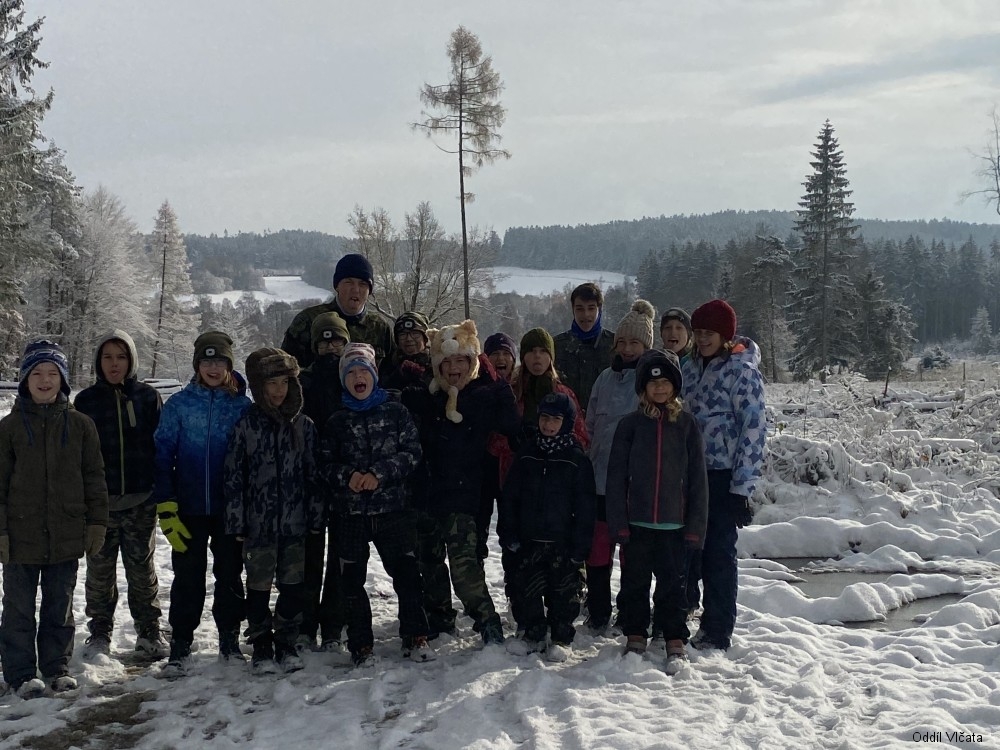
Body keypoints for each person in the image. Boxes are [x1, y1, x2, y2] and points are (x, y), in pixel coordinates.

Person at [0, 340, 108, 698]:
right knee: (17, 609)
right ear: (25, 380)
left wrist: (97, 523)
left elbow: (94, 477)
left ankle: (56, 667)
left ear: (62, 379)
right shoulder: (8, 428)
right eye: (37, 373)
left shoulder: (81, 426)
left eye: (52, 373)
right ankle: (20, 674)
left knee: (59, 606)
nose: (44, 380)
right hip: (20, 537)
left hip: (66, 533)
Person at [321, 343, 433, 666]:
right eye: (351, 373)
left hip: (392, 510)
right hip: (350, 514)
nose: (358, 377)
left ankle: (415, 635)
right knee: (351, 583)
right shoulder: (336, 421)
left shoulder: (396, 412)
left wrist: (379, 475)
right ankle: (361, 645)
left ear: (373, 374)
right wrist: (348, 476)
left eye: (363, 371)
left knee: (408, 576)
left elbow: (412, 453)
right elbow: (323, 463)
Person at [409, 320, 519, 645]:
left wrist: (500, 388)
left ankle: (487, 620)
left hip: (464, 497)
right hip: (428, 495)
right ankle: (440, 618)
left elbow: (510, 425)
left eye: (461, 360)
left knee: (464, 567)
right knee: (430, 563)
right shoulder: (427, 396)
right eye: (447, 362)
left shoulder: (483, 396)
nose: (454, 367)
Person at [152, 331, 251, 671]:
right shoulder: (179, 405)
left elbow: (252, 460)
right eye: (207, 362)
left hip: (229, 510)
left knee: (230, 574)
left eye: (220, 361)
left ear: (229, 366)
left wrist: (247, 506)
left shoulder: (242, 407)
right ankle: (181, 642)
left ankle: (229, 638)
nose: (213, 368)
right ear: (197, 365)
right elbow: (162, 454)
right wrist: (166, 505)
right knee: (187, 577)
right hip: (188, 509)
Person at [606, 349, 708, 672]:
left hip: (674, 526)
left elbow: (698, 481)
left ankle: (674, 637)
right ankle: (636, 633)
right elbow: (615, 477)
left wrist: (695, 527)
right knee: (634, 583)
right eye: (653, 383)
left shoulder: (687, 425)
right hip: (636, 524)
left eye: (665, 382)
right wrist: (618, 523)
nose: (659, 388)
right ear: (643, 389)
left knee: (673, 586)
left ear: (675, 386)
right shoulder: (630, 425)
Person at [224, 348, 323, 675]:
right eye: (272, 383)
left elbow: (314, 475)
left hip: (295, 524)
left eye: (284, 382)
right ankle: (262, 643)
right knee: (258, 586)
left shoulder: (304, 426)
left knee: (293, 586)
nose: (279, 390)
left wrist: (315, 515)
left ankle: (286, 641)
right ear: (259, 386)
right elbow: (234, 477)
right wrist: (237, 520)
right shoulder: (246, 426)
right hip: (258, 526)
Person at [74, 330, 166, 659]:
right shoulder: (85, 402)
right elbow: (78, 456)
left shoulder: (147, 397)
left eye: (122, 357)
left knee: (142, 569)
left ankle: (149, 629)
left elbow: (161, 446)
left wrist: (161, 490)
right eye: (108, 357)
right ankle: (100, 629)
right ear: (98, 362)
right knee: (99, 571)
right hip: (101, 505)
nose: (115, 364)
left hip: (141, 500)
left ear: (132, 360)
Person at [681, 299, 766, 651]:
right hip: (689, 474)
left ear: (725, 335)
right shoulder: (688, 368)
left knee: (718, 554)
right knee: (689, 551)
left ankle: (717, 628)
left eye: (709, 333)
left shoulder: (741, 372)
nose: (702, 339)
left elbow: (754, 429)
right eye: (698, 332)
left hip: (722, 476)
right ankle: (683, 613)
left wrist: (741, 488)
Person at [498, 392, 595, 662]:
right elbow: (510, 496)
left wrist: (580, 545)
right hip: (529, 539)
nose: (548, 424)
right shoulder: (527, 454)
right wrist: (508, 532)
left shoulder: (576, 459)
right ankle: (532, 633)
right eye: (544, 418)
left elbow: (586, 507)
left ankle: (561, 636)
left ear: (567, 422)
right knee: (525, 588)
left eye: (555, 419)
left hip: (562, 541)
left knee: (564, 591)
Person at [583, 299, 656, 633]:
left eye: (635, 343)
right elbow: (590, 424)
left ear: (646, 346)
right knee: (598, 549)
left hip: (633, 485)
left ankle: (631, 611)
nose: (627, 349)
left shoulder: (651, 382)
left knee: (632, 553)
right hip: (600, 480)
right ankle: (598, 610)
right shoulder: (604, 378)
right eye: (622, 342)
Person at [298, 312, 350, 652]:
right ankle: (305, 624)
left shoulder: (354, 377)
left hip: (344, 479)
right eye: (325, 341)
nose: (331, 347)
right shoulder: (302, 381)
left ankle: (333, 624)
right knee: (309, 555)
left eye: (337, 341)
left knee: (341, 556)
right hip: (310, 480)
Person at [281, 253, 395, 371]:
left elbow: (392, 372)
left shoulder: (379, 327)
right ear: (337, 286)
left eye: (363, 284)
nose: (356, 290)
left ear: (369, 291)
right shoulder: (308, 321)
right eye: (349, 282)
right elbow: (285, 371)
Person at [554, 283, 616, 416]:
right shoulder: (557, 346)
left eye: (591, 308)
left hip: (603, 420)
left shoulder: (614, 345)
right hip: (566, 421)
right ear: (573, 310)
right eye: (580, 309)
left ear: (599, 309)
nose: (586, 314)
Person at [382, 311, 433, 393]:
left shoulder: (437, 363)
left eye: (415, 334)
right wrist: (398, 376)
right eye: (403, 334)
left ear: (425, 338)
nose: (409, 339)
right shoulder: (389, 364)